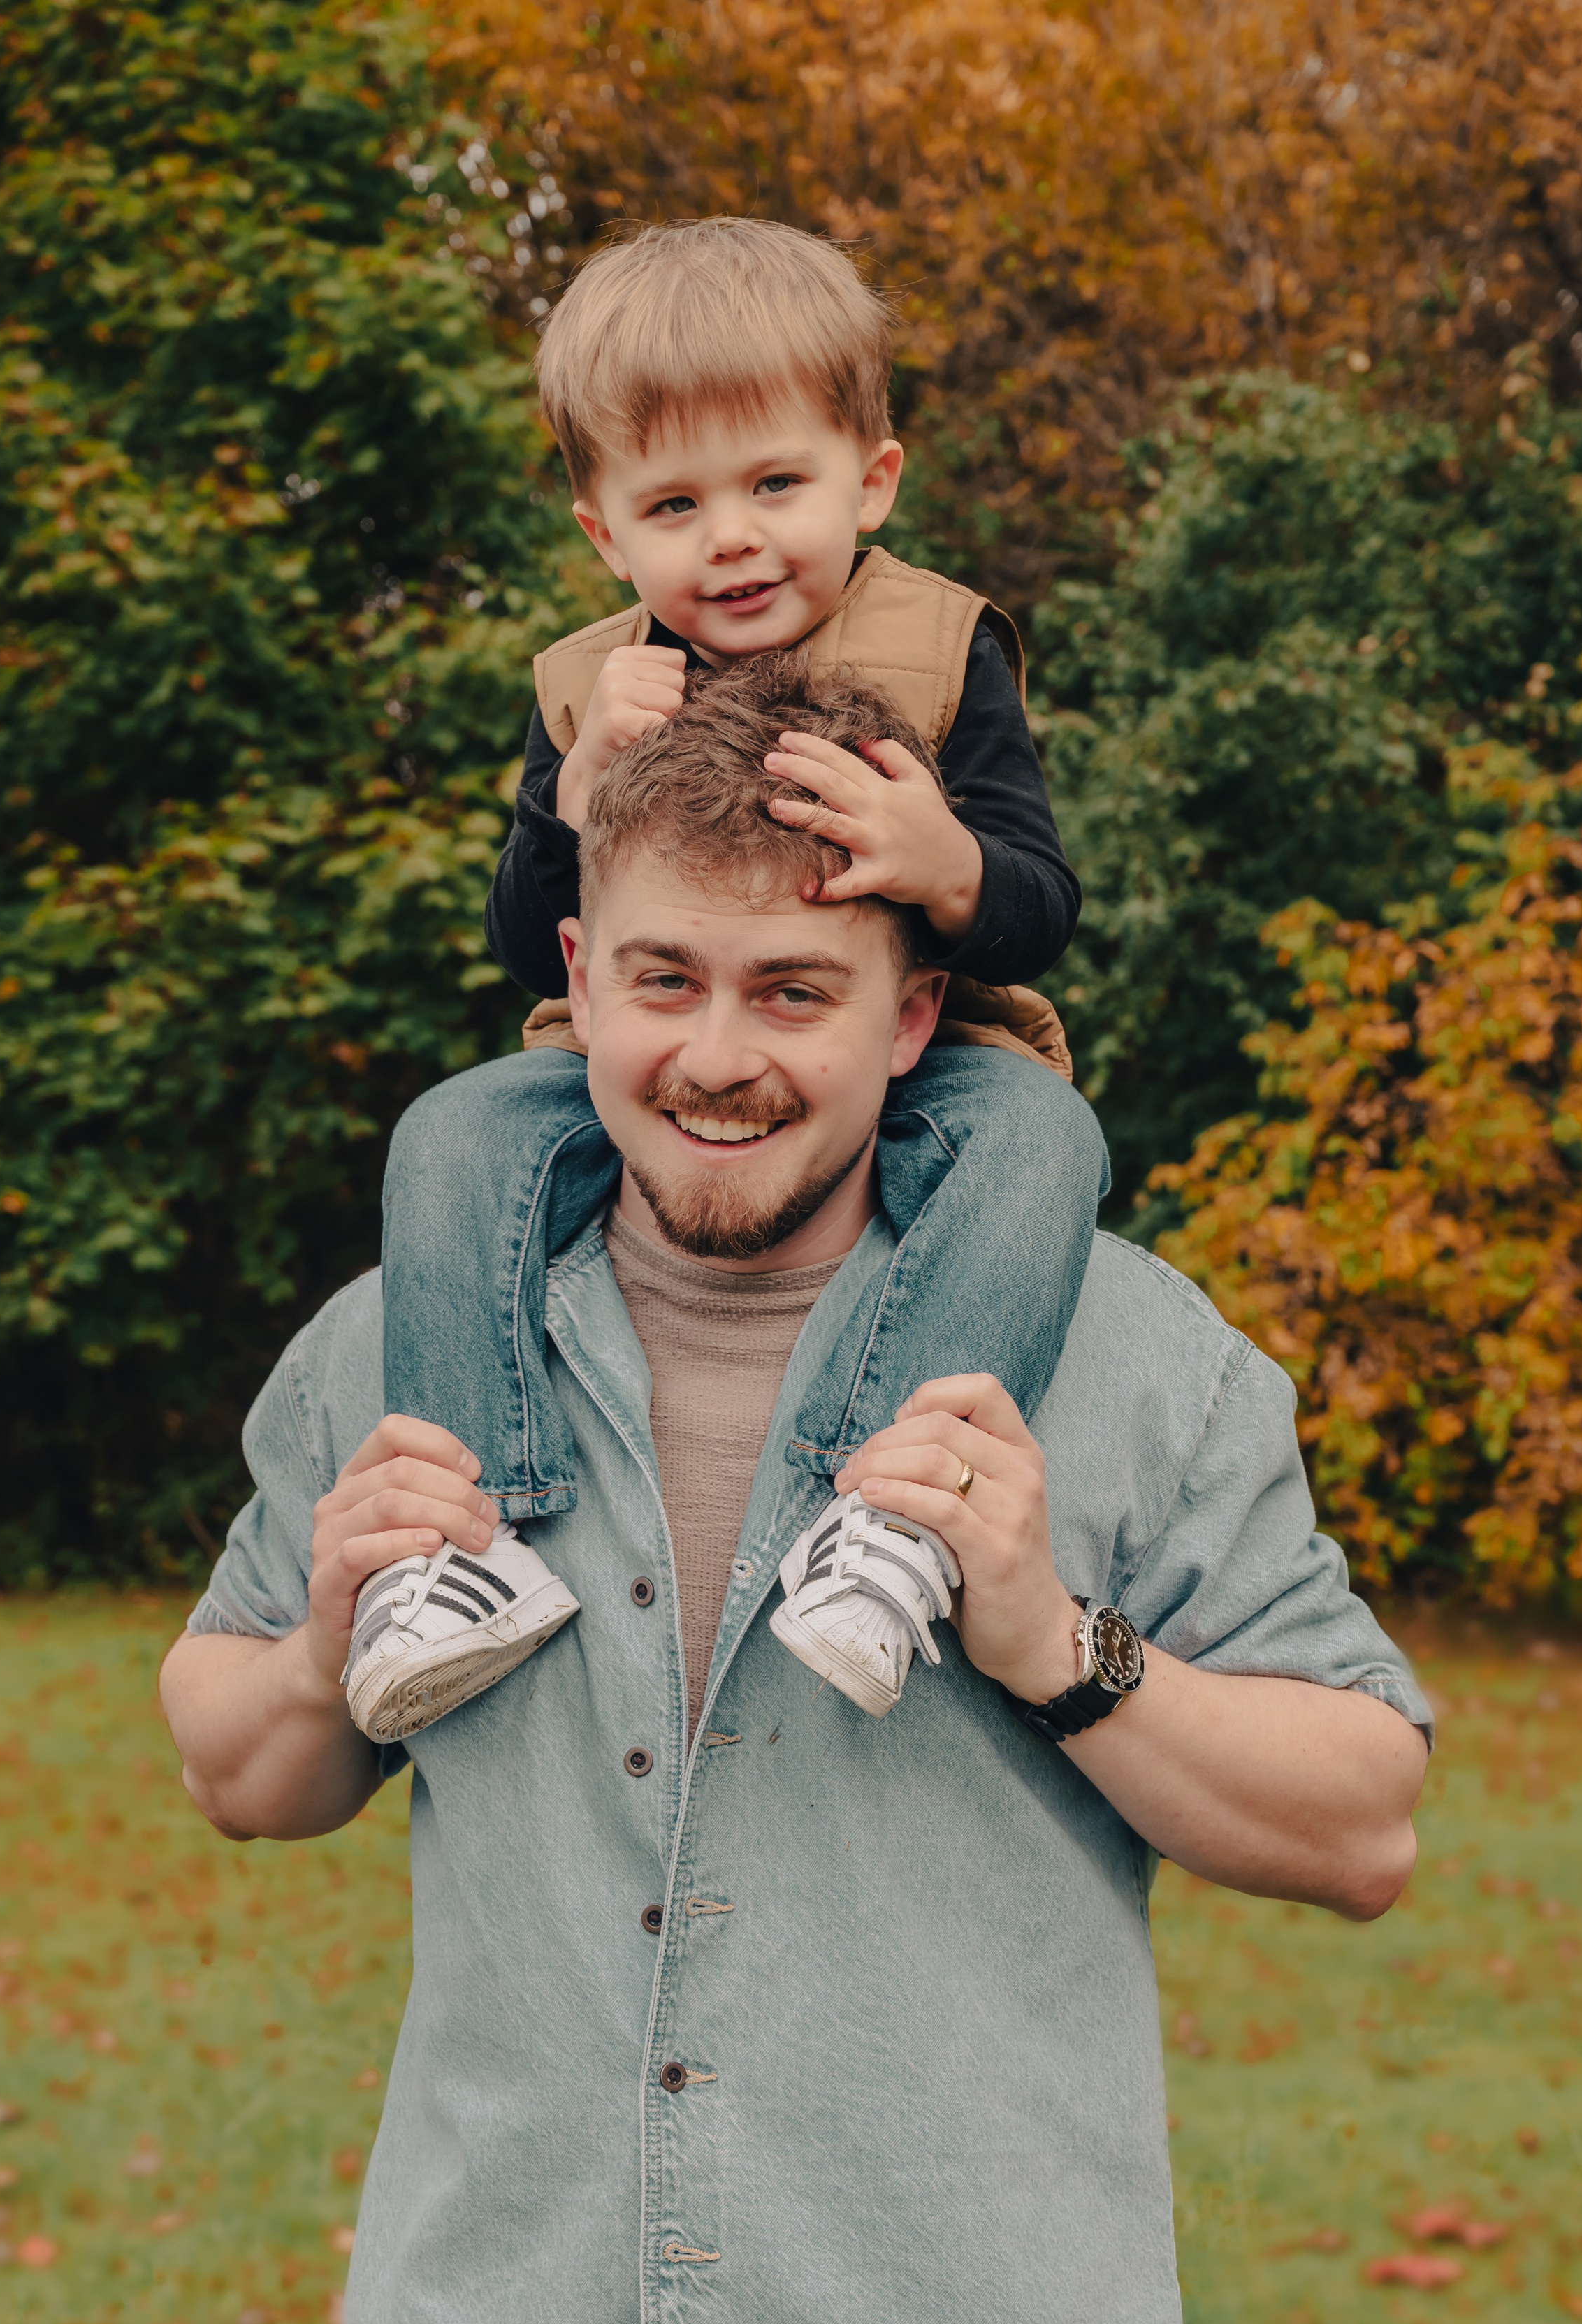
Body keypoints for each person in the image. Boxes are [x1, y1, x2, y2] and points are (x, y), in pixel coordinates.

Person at [159, 663, 1431, 2324]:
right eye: (664, 981)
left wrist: (1052, 1642)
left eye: (793, 992)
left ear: (913, 1015)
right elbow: (237, 1763)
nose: (717, 1057)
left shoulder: (1134, 1356)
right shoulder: (407, 1343)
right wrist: (326, 1648)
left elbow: (1365, 1819)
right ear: (574, 977)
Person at [363, 215, 1106, 1743]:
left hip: (929, 1043)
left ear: (871, 479)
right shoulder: (584, 686)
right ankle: (465, 1539)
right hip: (631, 1054)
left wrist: (937, 856)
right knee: (449, 1133)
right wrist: (569, 798)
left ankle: (884, 1509)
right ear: (603, 533)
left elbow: (1038, 908)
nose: (734, 539)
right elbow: (525, 943)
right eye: (675, 503)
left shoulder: (940, 649)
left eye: (776, 484)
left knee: (1045, 1144)